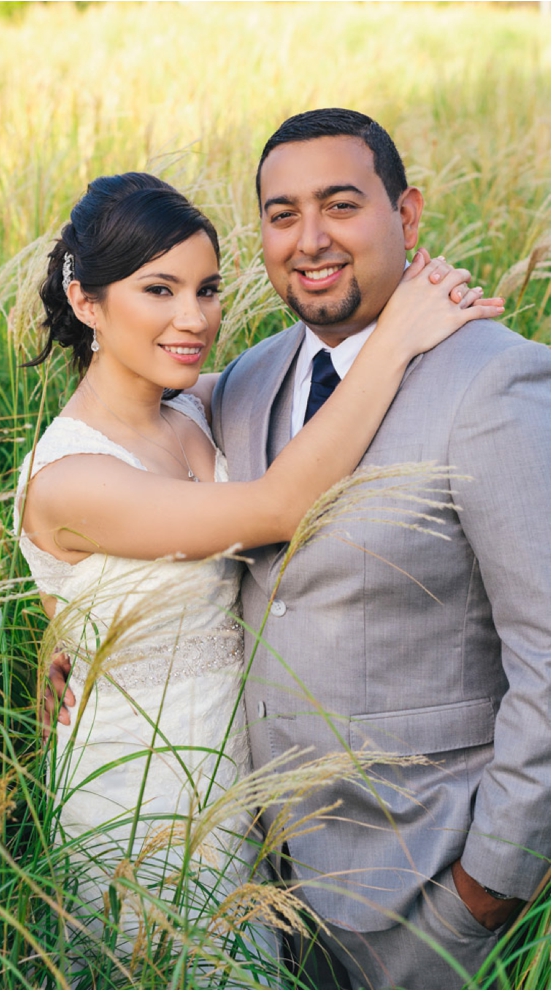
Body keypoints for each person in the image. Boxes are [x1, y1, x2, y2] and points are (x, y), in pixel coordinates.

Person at [20, 169, 502, 974]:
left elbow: (301, 390)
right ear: (87, 302)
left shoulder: (196, 407)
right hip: (142, 798)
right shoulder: (72, 479)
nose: (194, 318)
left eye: (207, 289)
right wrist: (397, 338)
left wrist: (391, 308)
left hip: (241, 783)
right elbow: (281, 505)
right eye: (159, 290)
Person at [207, 109, 550, 989]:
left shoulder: (492, 378)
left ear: (408, 217)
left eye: (341, 204)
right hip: (269, 888)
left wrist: (488, 887)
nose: (310, 239)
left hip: (431, 891)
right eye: (282, 214)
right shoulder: (244, 383)